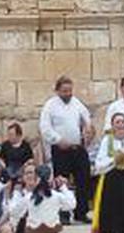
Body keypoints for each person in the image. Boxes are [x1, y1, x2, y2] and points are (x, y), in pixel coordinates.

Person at [39, 76, 94, 223]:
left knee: (83, 179)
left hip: (78, 147)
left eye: (70, 90)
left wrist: (88, 129)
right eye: (64, 91)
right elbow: (45, 128)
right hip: (61, 149)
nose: (68, 93)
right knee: (61, 181)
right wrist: (58, 140)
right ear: (57, 91)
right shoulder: (50, 105)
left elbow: (86, 117)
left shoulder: (76, 103)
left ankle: (81, 212)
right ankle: (63, 214)